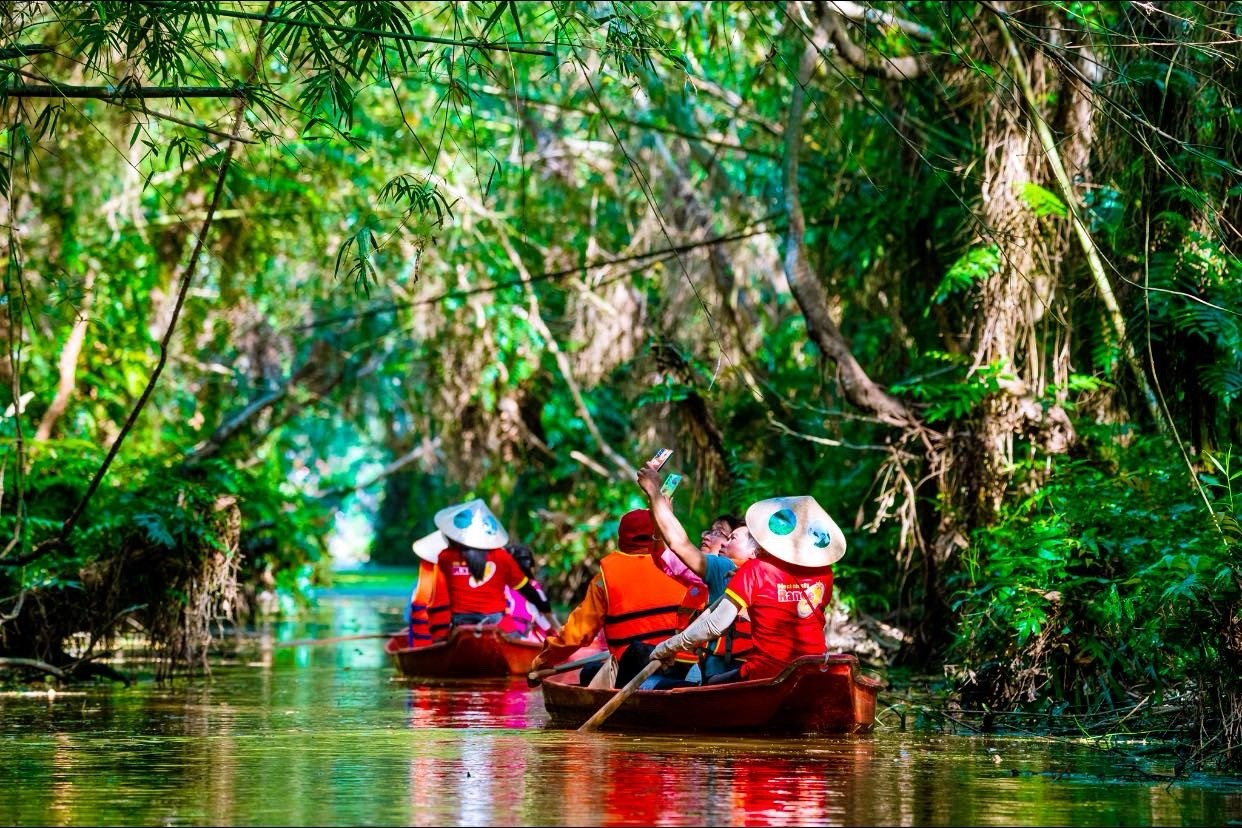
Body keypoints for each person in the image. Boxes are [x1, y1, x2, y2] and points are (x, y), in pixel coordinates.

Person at [651, 495, 844, 685]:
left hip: (767, 674)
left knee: (712, 683)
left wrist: (669, 646)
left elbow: (714, 625)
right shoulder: (825, 574)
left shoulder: (755, 570)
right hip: (815, 669)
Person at [528, 508, 697, 688]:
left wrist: (541, 662)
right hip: (687, 668)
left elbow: (576, 634)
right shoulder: (685, 565)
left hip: (635, 672)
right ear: (659, 534)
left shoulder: (605, 577)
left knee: (589, 671)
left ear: (621, 540)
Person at [637, 462, 756, 684]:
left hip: (712, 669)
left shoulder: (725, 567)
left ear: (755, 551)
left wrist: (655, 494)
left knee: (645, 677)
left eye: (727, 537)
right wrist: (660, 516)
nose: (716, 541)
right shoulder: (768, 573)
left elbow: (678, 545)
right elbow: (666, 553)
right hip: (741, 668)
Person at [432, 498, 552, 627]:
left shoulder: (445, 557)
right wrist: (544, 606)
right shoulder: (502, 557)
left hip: (459, 619)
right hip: (494, 620)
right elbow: (525, 589)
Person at [498, 542, 559, 643]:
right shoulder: (533, 587)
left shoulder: (499, 584)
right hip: (519, 635)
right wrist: (561, 634)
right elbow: (545, 623)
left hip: (501, 631)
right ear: (531, 566)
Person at [405, 529, 452, 648]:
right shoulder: (461, 579)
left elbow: (408, 616)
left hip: (431, 639)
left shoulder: (421, 581)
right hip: (438, 638)